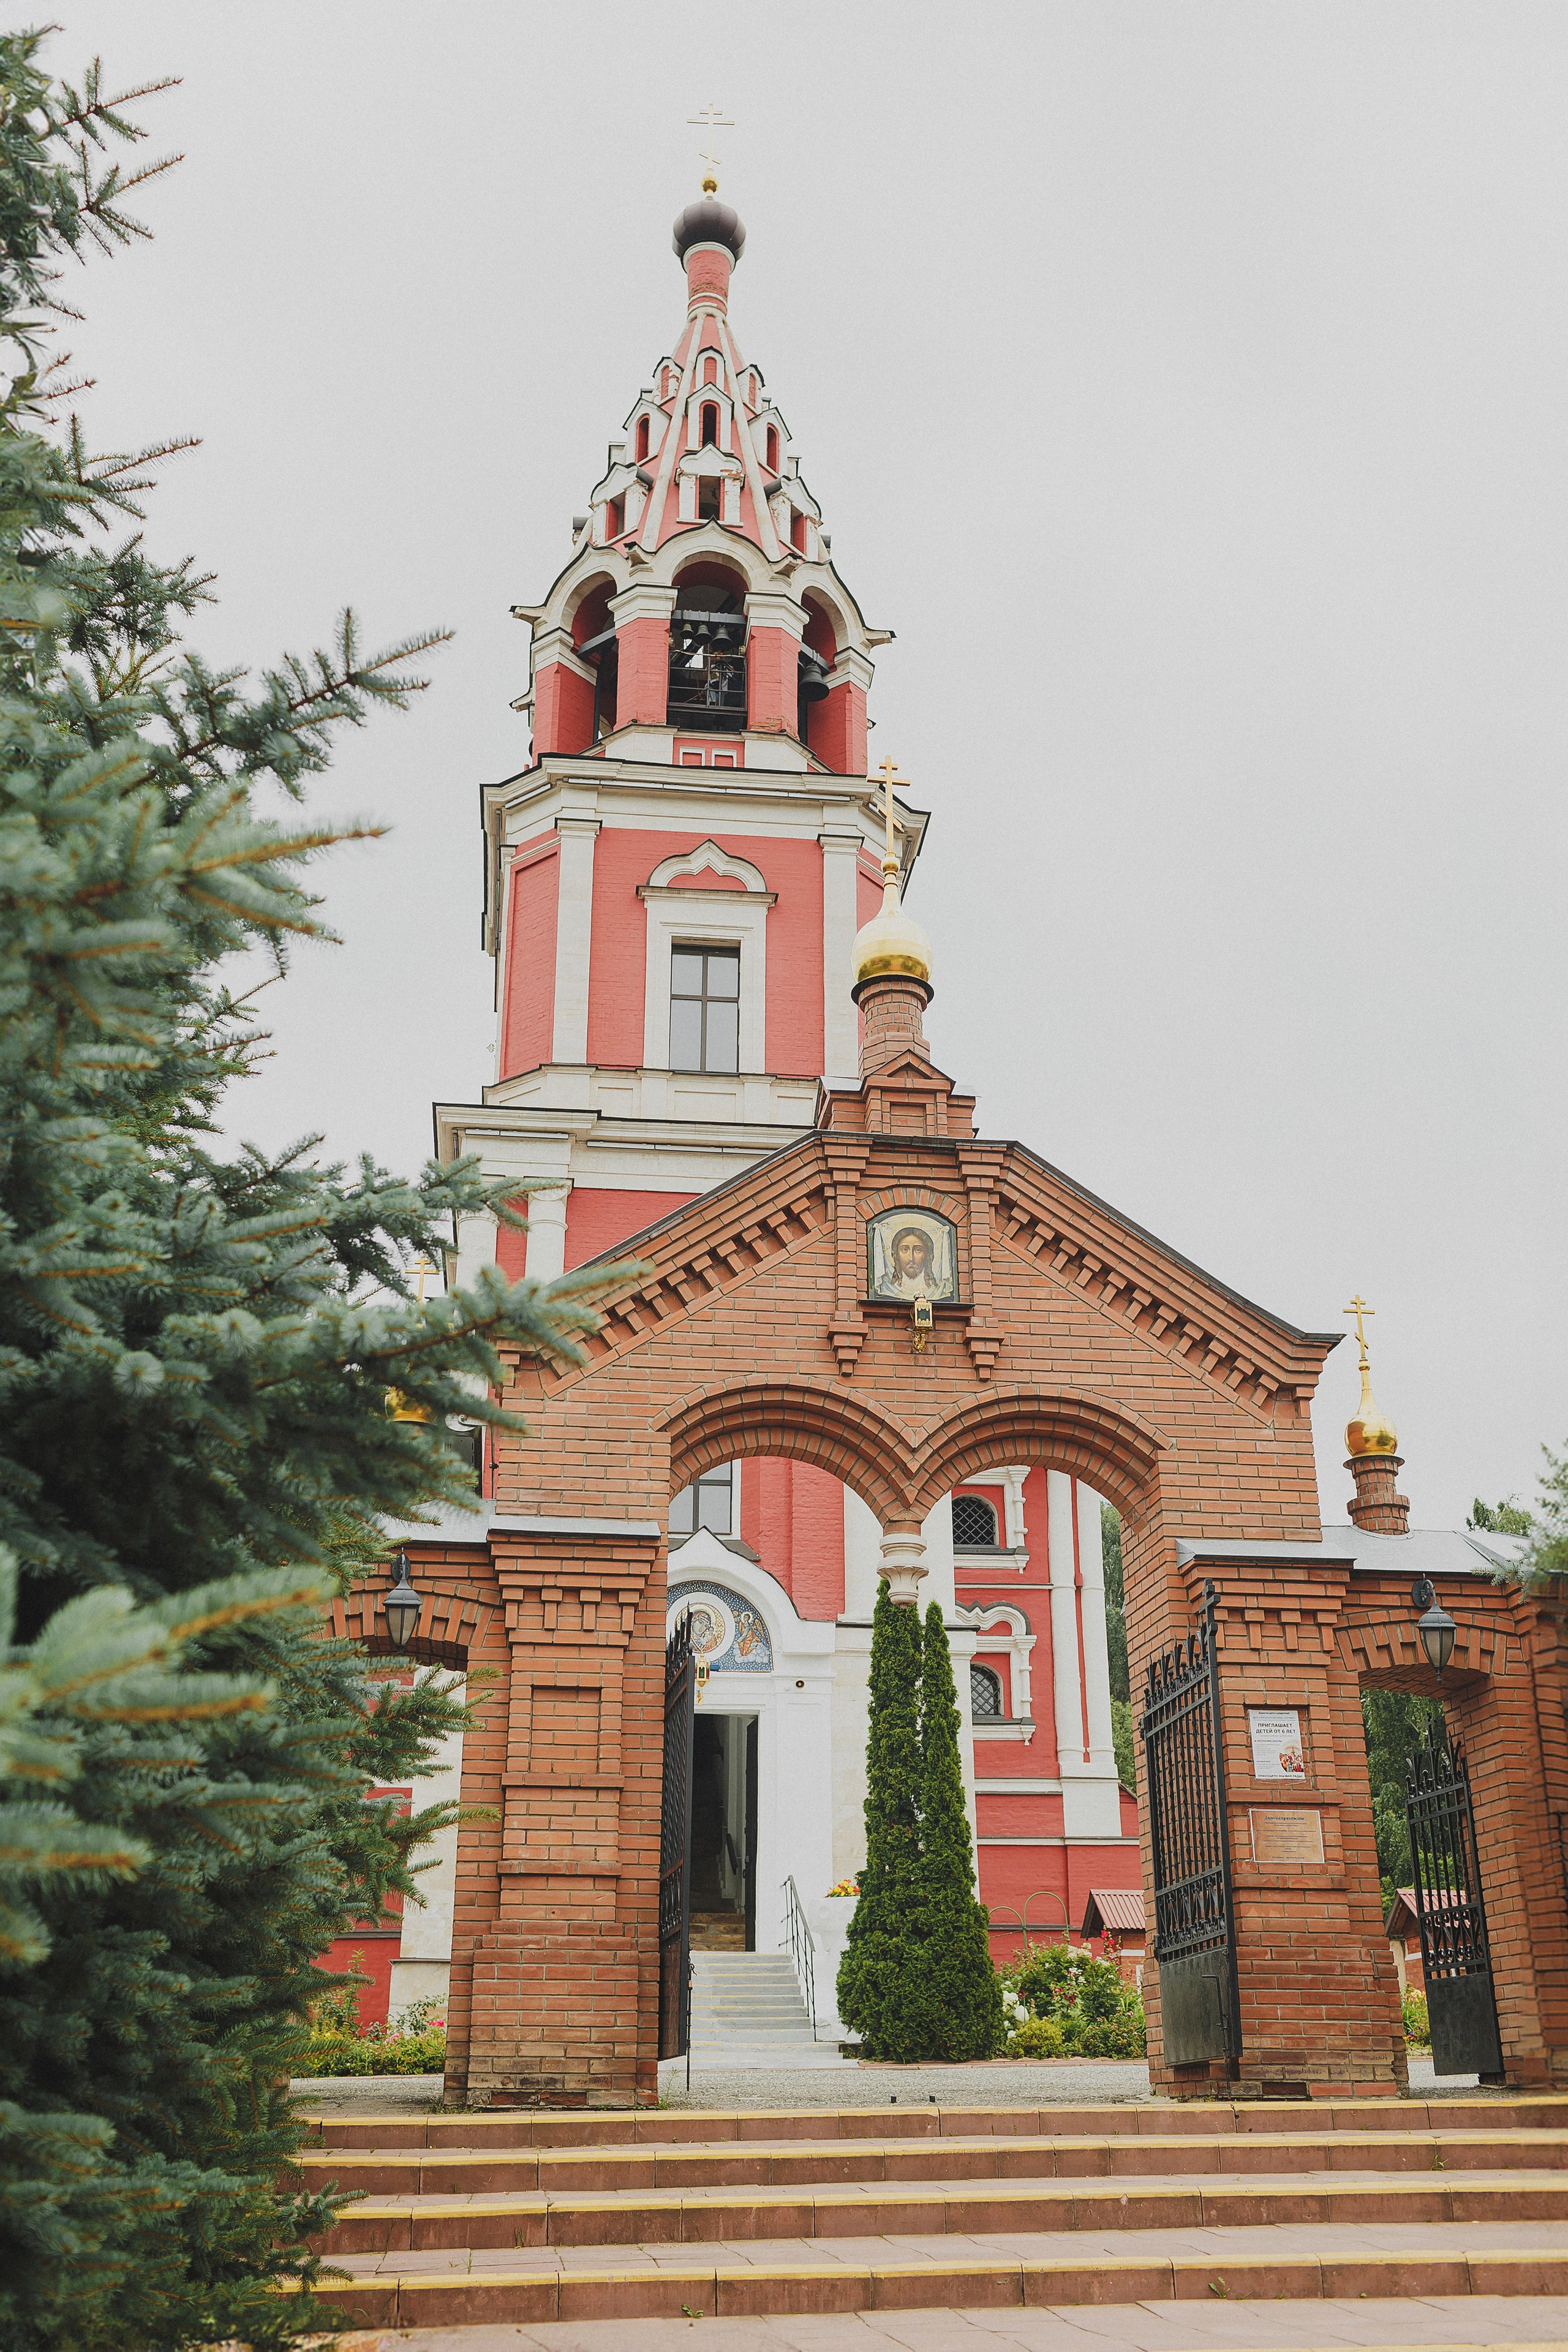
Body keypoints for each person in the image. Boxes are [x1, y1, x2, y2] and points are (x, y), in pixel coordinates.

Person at [884, 1223, 939, 1298]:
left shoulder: (938, 1292)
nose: (911, 1258)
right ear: (896, 1256)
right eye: (905, 1250)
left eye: (918, 1250)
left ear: (928, 1255)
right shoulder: (891, 1291)